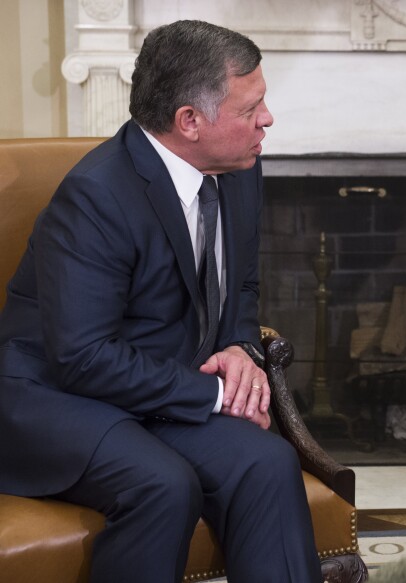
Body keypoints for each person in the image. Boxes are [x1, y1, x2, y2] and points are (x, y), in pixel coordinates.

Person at [0, 20, 322, 583]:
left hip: (159, 386)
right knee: (162, 484)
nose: (266, 121)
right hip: (54, 396)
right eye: (252, 108)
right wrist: (218, 393)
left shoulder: (240, 167)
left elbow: (241, 285)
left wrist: (241, 351)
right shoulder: (96, 197)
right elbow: (82, 357)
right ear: (189, 121)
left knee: (268, 462)